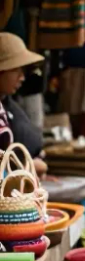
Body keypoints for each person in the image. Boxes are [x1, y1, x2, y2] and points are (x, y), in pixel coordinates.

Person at [0, 33, 47, 176]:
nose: (22, 78)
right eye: (15, 70)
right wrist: (30, 166)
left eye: (23, 71)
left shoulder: (7, 104)